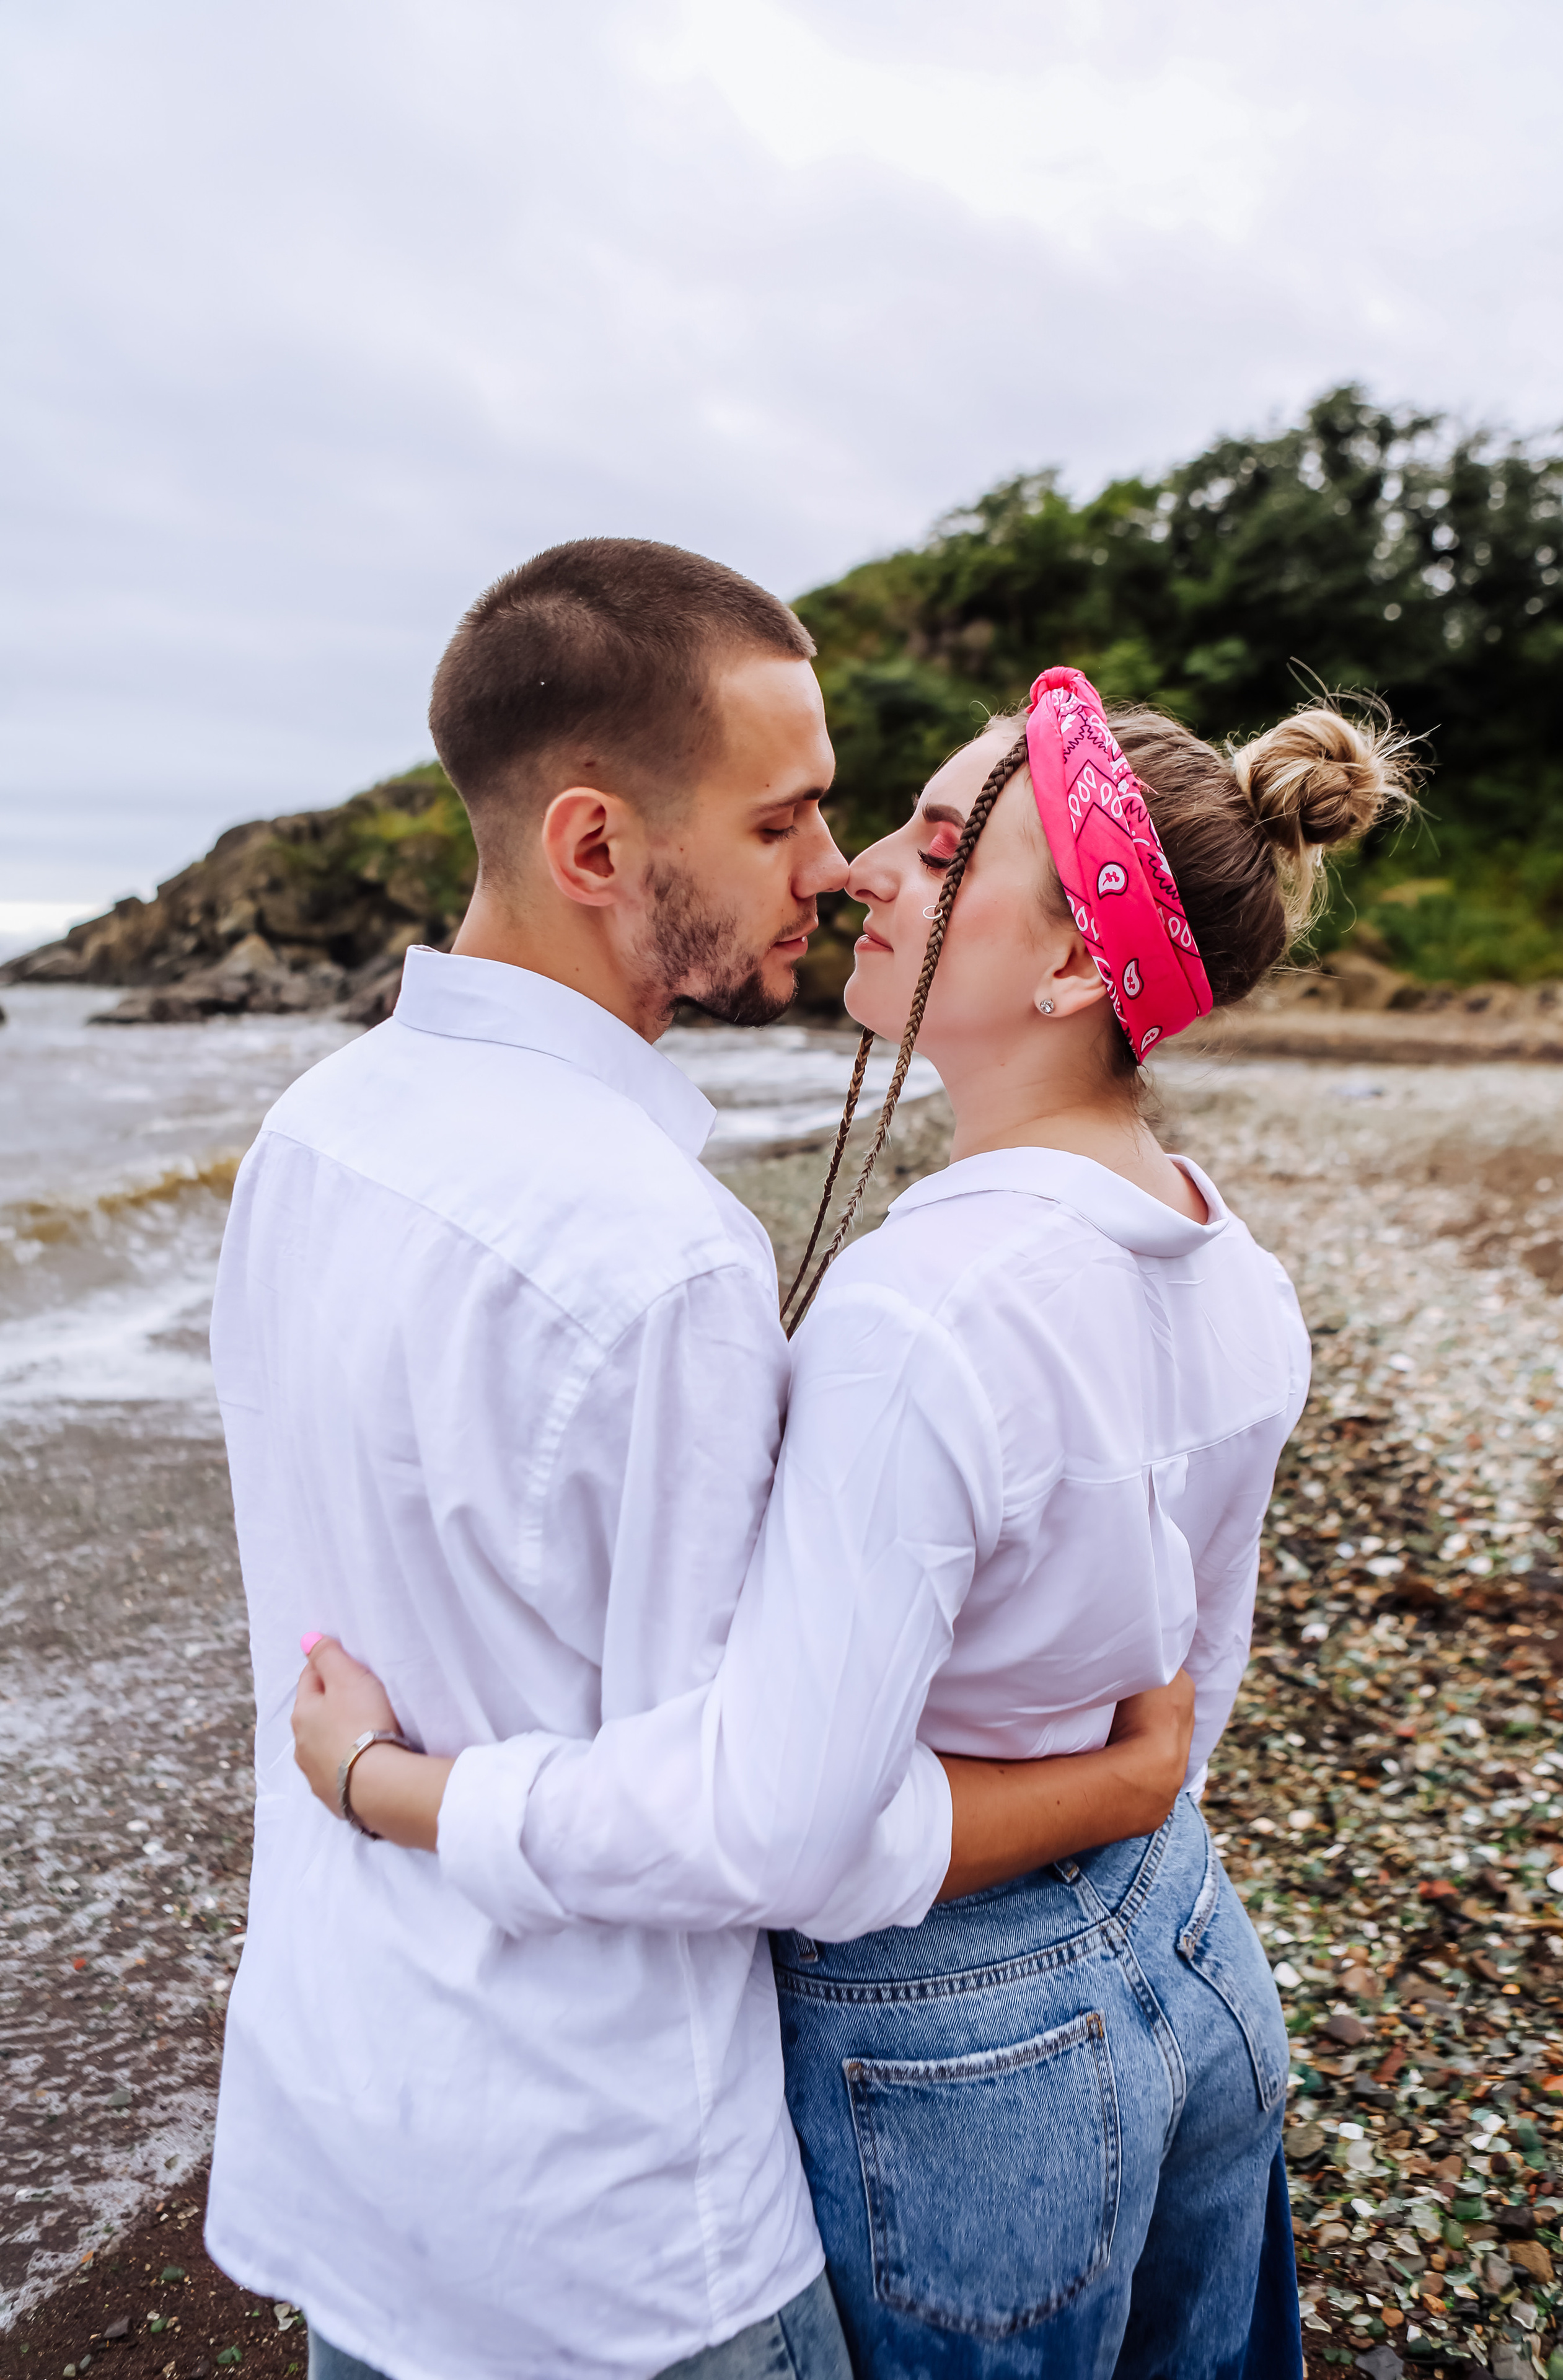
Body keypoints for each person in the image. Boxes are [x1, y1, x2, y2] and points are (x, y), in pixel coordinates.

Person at [294, 668, 1417, 2375]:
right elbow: (1190, 1699)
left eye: (945, 841)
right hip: (1189, 1946)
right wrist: (1118, 1799)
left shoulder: (925, 1315)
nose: (858, 869)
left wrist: (396, 1791)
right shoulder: (1237, 1272)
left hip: (957, 2043)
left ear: (1069, 966)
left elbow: (782, 1832)